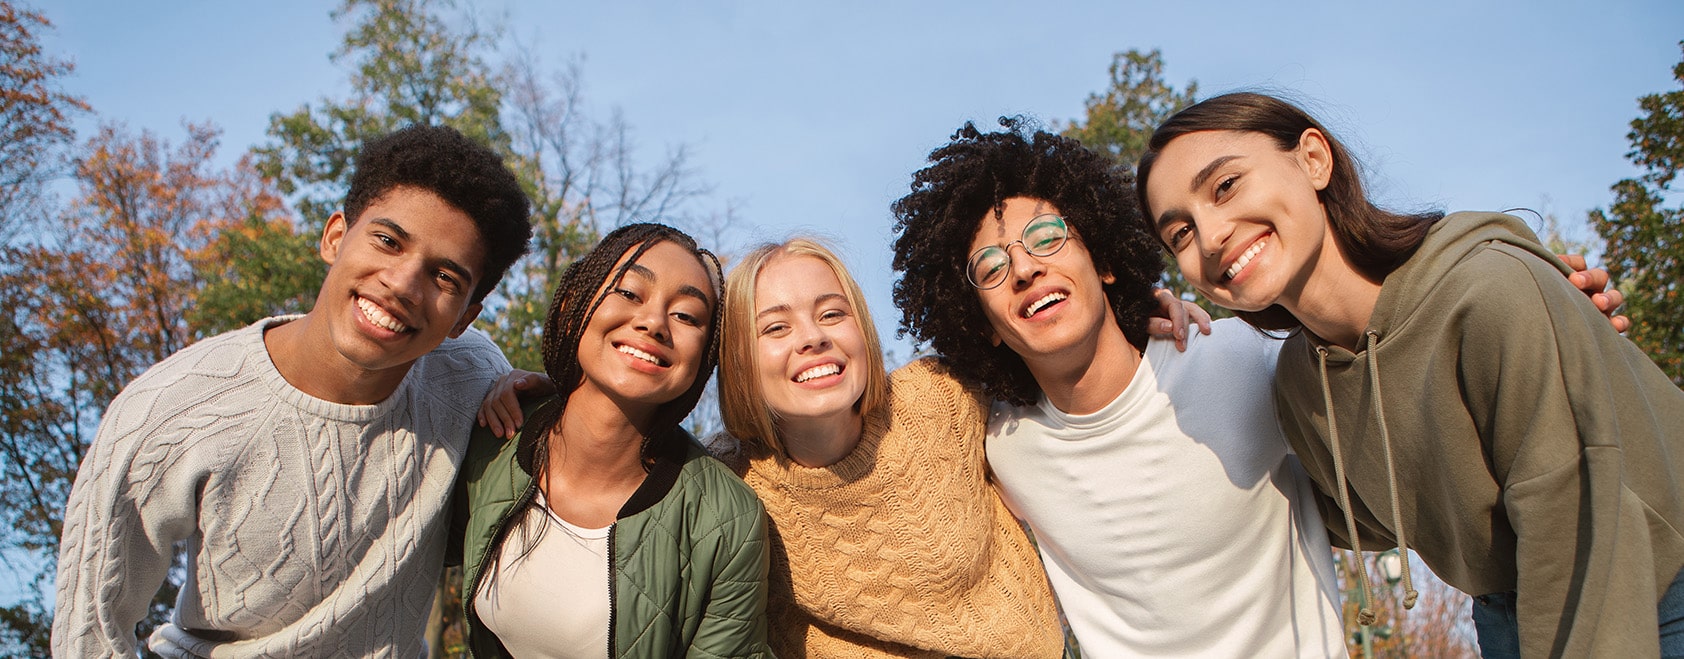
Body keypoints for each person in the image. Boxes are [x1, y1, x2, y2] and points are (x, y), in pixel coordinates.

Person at [1135, 91, 1684, 658]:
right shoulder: (1302, 379)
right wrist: (1126, 343)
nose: (1211, 235)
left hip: (1642, 589)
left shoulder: (1490, 293)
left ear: (1314, 160)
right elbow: (1323, 510)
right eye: (1179, 233)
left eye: (1226, 186)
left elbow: (1576, 529)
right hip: (1506, 612)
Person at [53, 124, 533, 657]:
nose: (401, 284)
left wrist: (545, 398)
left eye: (444, 277)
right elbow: (90, 631)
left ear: (464, 318)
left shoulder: (473, 374)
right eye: (388, 241)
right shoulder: (169, 410)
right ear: (334, 237)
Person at [891, 120, 1348, 657]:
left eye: (1045, 237)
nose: (1023, 268)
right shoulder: (1001, 448)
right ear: (984, 324)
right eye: (989, 268)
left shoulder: (1240, 359)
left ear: (1104, 261)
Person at [714, 238, 1063, 658]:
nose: (813, 337)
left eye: (832, 314)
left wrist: (1141, 317)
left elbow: (1063, 360)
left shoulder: (940, 396)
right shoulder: (724, 487)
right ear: (737, 362)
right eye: (775, 327)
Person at [457, 223, 771, 658]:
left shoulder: (725, 518)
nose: (654, 323)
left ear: (703, 358)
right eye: (629, 293)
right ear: (573, 305)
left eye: (686, 316)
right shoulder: (493, 434)